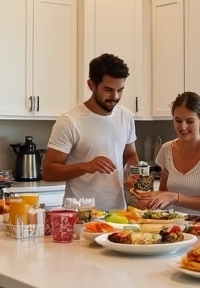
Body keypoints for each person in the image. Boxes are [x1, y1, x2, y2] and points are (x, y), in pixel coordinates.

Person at [42, 53, 138, 210]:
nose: (115, 96)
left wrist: (134, 174)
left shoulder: (125, 116)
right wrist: (86, 166)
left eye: (120, 90)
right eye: (108, 89)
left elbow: (130, 155)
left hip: (119, 212)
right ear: (91, 85)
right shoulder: (69, 122)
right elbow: (49, 172)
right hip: (81, 215)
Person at [134, 91, 200, 213]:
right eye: (178, 120)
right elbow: (163, 193)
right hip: (172, 225)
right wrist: (148, 200)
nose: (183, 127)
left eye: (190, 121)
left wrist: (175, 197)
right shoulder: (166, 149)